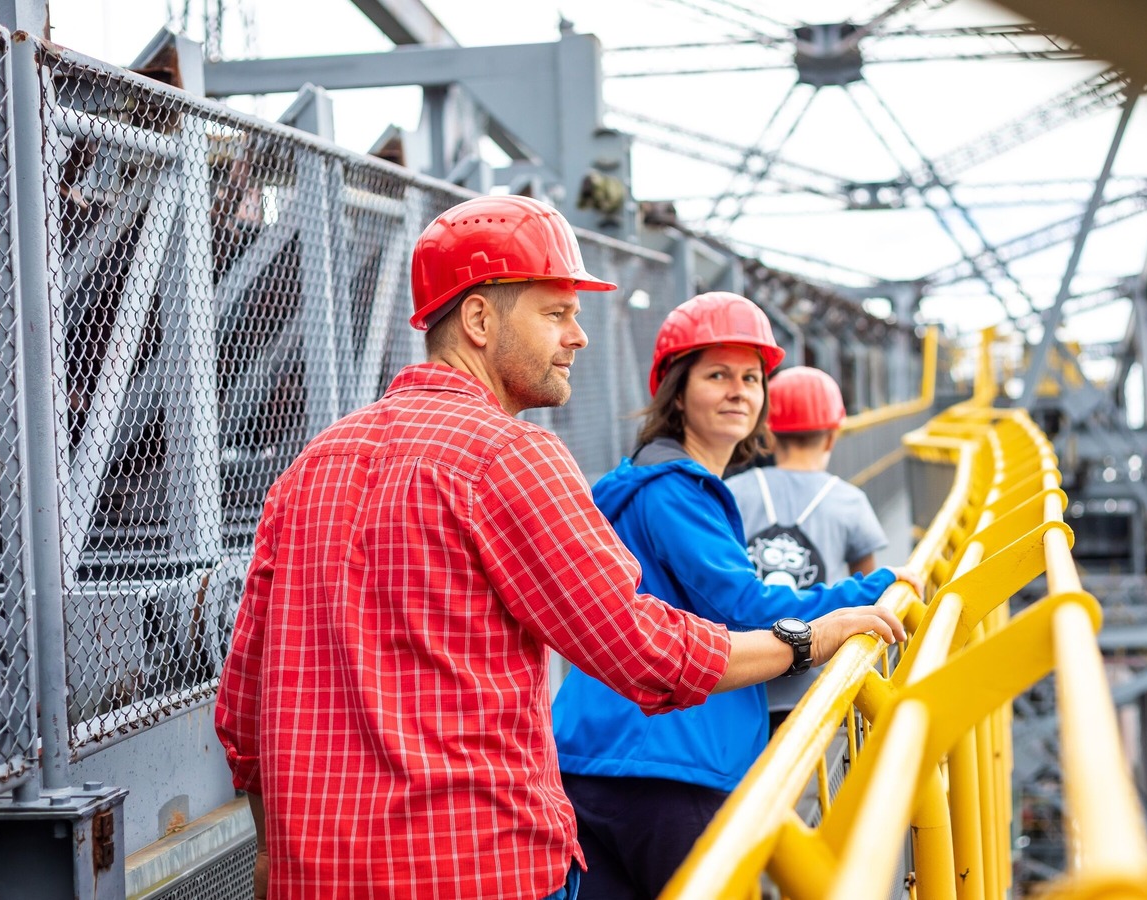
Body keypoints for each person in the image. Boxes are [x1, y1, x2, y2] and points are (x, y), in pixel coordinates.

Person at [213, 195, 905, 900]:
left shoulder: (311, 466)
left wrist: (272, 852)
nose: (577, 337)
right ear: (480, 320)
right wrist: (806, 639)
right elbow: (641, 648)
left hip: (319, 876)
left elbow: (243, 704)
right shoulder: (511, 455)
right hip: (480, 866)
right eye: (555, 313)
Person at [551, 292, 915, 900]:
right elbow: (744, 606)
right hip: (670, 766)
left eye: (752, 377)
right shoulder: (674, 492)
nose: (739, 390)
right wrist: (883, 585)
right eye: (717, 374)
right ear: (676, 389)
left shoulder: (645, 483)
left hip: (597, 757)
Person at [727, 365, 922, 732]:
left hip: (742, 679)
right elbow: (866, 592)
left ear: (767, 436)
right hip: (816, 687)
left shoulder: (733, 491)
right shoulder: (849, 501)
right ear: (832, 436)